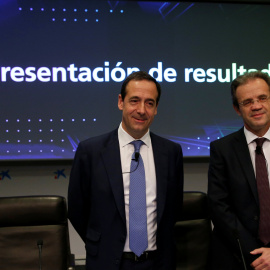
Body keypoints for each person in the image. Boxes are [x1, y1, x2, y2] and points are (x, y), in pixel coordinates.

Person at [68, 71, 183, 270]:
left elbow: (173, 209)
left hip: (158, 263)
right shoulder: (91, 151)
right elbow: (78, 209)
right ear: (121, 102)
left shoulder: (171, 152)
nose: (141, 110)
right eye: (134, 101)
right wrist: (101, 244)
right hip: (108, 262)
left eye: (150, 103)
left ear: (156, 109)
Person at [208, 70, 270, 270]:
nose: (257, 106)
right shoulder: (222, 149)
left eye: (262, 98)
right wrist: (256, 253)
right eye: (247, 102)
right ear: (237, 109)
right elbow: (219, 206)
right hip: (238, 257)